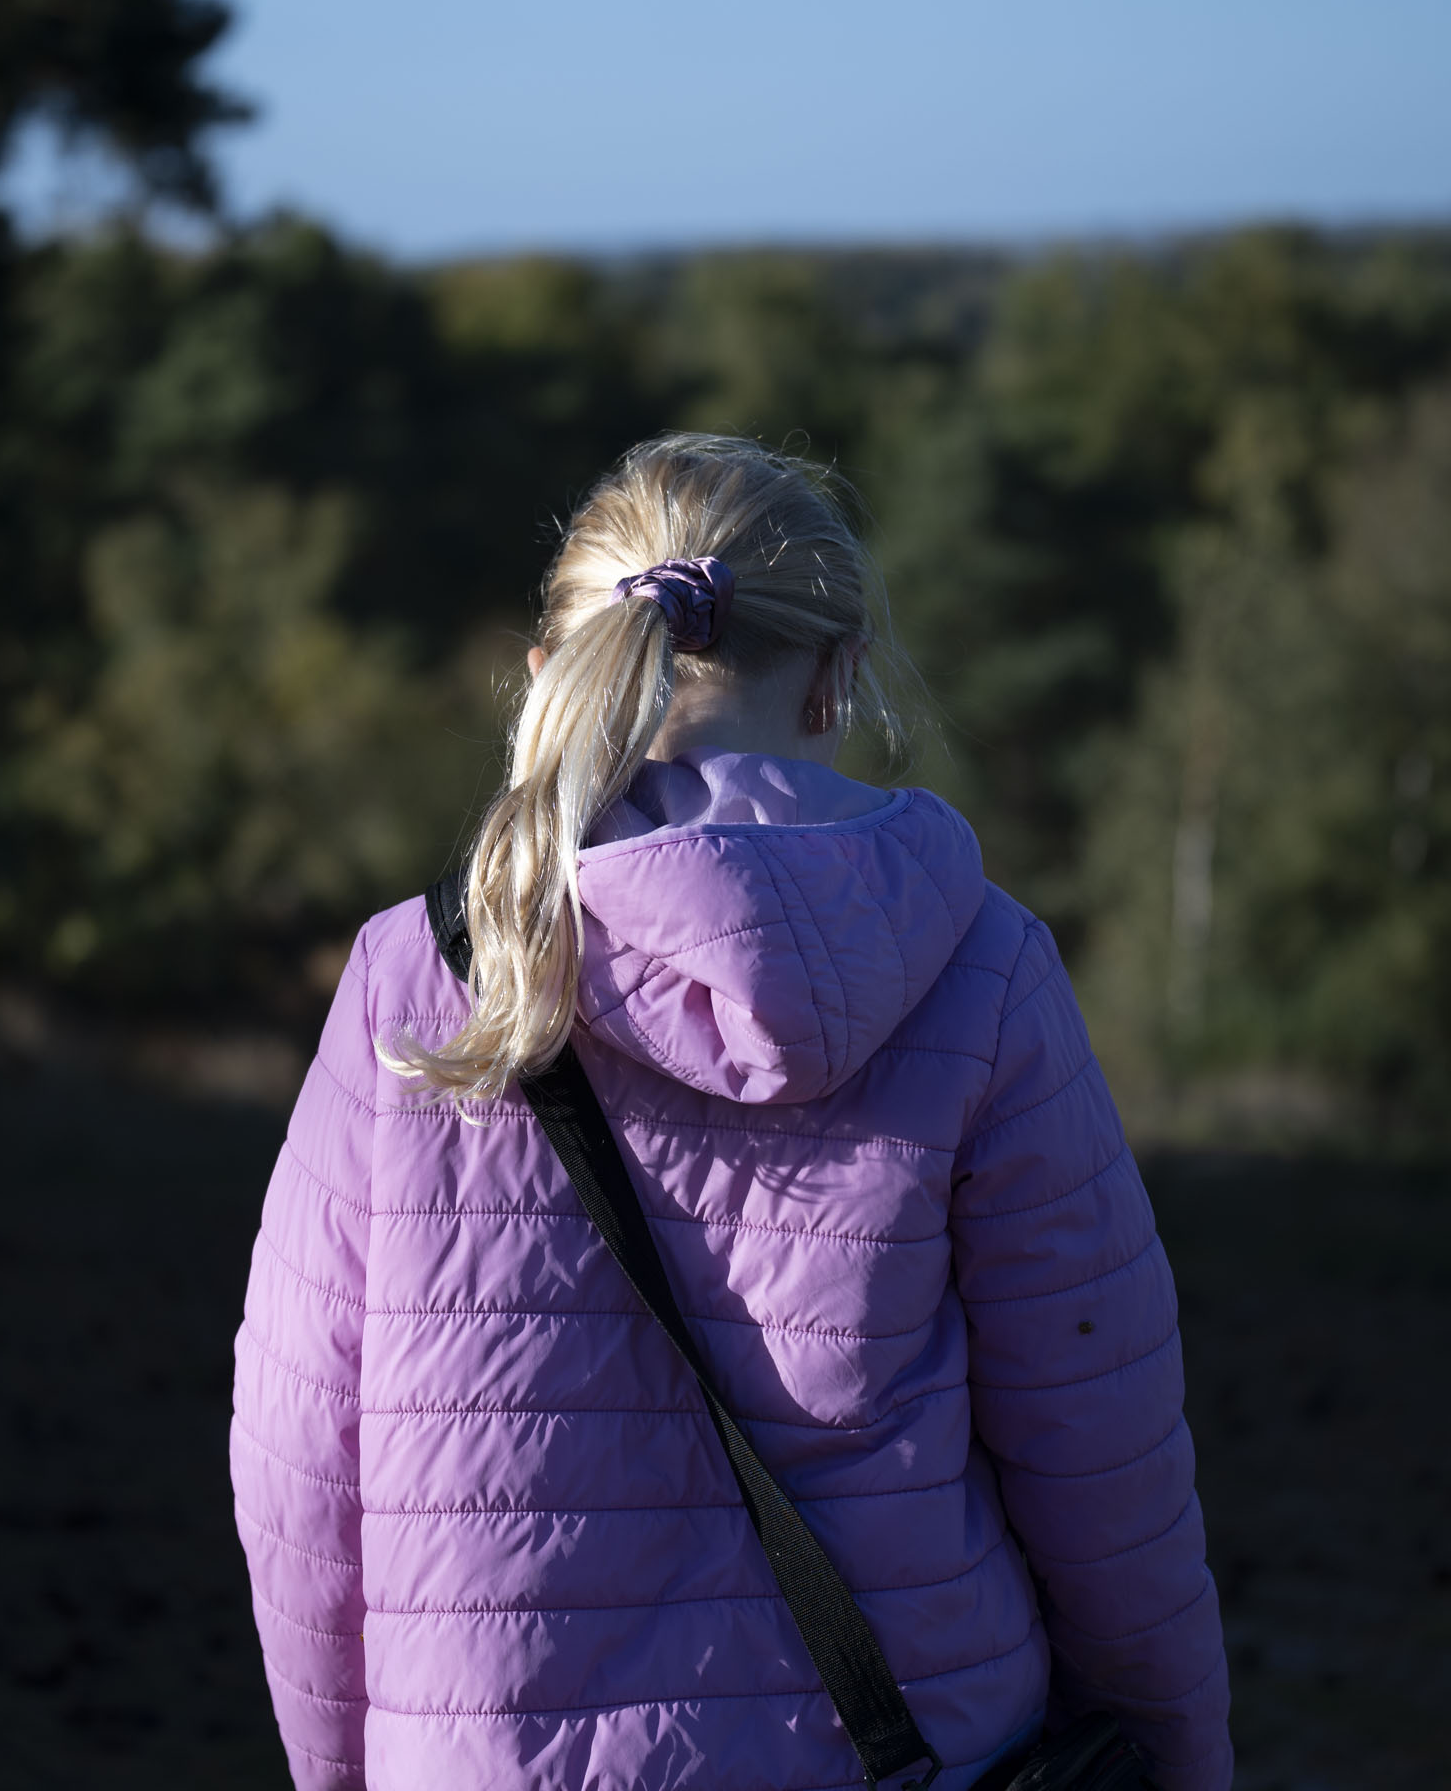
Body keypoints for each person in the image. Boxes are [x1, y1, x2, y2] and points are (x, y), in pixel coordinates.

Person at [230, 435, 1232, 1790]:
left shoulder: (414, 984)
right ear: (834, 681)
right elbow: (1101, 1448)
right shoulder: (988, 973)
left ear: (549, 680)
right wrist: (1175, 1751)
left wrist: (340, 1767)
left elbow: (297, 1460)